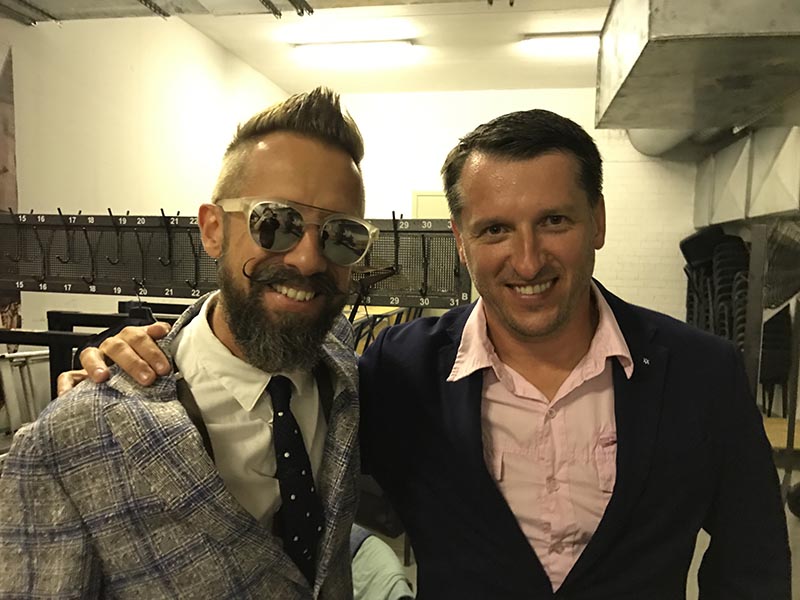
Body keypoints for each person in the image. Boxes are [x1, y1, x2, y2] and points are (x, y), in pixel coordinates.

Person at [62, 109, 791, 599]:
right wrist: (140, 360)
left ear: (597, 221)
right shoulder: (397, 374)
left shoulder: (703, 375)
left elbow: (753, 567)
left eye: (554, 221)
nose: (527, 259)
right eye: (495, 229)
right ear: (461, 242)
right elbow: (268, 370)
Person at [0, 88, 376, 599]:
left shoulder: (340, 362)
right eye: (275, 223)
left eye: (341, 235)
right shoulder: (74, 439)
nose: (309, 260)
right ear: (213, 230)